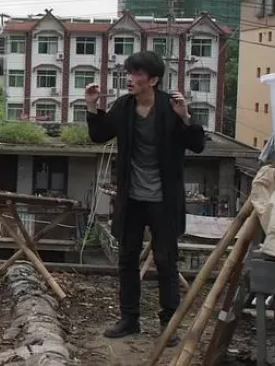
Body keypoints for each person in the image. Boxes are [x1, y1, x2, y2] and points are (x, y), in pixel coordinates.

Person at [83, 50, 206, 344]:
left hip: (163, 198)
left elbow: (198, 145)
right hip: (132, 197)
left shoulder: (170, 107)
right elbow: (100, 135)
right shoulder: (124, 106)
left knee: (166, 260)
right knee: (127, 258)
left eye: (137, 74)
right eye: (130, 73)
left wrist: (186, 117)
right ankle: (129, 319)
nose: (131, 79)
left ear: (153, 80)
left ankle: (168, 322)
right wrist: (91, 106)